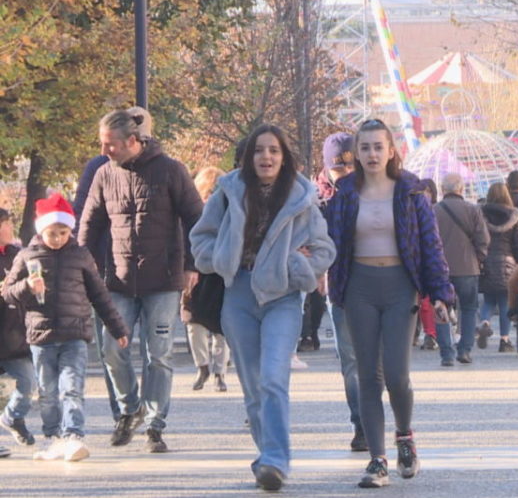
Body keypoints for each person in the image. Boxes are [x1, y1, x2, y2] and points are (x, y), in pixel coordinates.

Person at [191, 124, 336, 491]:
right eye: (259, 150)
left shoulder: (302, 196)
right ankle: (268, 456)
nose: (266, 157)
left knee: (273, 377)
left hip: (281, 297)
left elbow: (324, 249)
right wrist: (222, 258)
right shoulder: (227, 191)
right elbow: (200, 239)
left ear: (284, 157)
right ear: (248, 157)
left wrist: (296, 266)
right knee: (254, 386)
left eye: (273, 150)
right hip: (237, 295)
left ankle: (275, 459)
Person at [326, 118, 455, 488]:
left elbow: (430, 246)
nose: (371, 154)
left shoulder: (411, 192)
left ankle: (404, 436)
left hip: (400, 287)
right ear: (356, 152)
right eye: (364, 147)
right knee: (369, 376)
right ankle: (377, 460)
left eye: (378, 147)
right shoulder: (344, 192)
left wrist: (440, 294)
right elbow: (330, 239)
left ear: (391, 151)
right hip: (359, 288)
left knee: (397, 375)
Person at [78, 109, 204, 453]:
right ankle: (129, 408)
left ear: (132, 141)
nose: (104, 151)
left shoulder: (171, 170)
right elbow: (89, 224)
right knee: (110, 348)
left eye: (110, 144)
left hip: (163, 280)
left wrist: (192, 265)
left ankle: (154, 424)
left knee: (158, 354)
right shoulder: (104, 174)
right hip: (117, 280)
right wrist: (81, 268)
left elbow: (196, 219)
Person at [2, 194, 129, 462]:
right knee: (48, 392)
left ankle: (73, 435)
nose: (58, 238)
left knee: (72, 386)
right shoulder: (27, 256)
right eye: (52, 233)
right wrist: (27, 287)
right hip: (41, 337)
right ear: (41, 230)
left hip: (75, 335)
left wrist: (118, 329)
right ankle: (54, 438)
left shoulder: (81, 256)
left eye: (63, 232)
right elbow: (8, 294)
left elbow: (99, 295)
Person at [73, 105, 153, 423]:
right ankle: (122, 410)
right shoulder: (99, 167)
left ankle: (150, 412)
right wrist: (83, 262)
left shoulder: (161, 166)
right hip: (108, 270)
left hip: (153, 271)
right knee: (111, 344)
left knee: (154, 349)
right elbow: (83, 214)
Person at [316, 130, 367, 451]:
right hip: (341, 289)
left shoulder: (375, 192)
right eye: (339, 167)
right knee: (351, 360)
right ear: (327, 167)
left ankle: (377, 419)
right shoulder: (317, 200)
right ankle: (361, 424)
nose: (346, 172)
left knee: (376, 362)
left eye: (351, 165)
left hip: (376, 284)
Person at [182, 167, 230, 393]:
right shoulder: (191, 213)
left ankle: (220, 371)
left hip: (220, 275)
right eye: (207, 191)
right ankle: (202, 366)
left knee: (222, 328)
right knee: (193, 323)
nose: (210, 196)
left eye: (215, 191)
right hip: (195, 274)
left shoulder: (229, 212)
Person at [434, 172, 490, 365]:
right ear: (461, 189)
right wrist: (478, 258)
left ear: (442, 190)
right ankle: (465, 350)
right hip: (468, 267)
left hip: (439, 269)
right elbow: (484, 239)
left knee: (441, 309)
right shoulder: (473, 210)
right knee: (468, 308)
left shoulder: (434, 211)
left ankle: (446, 353)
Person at [0, 208, 35, 457]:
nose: (10, 227)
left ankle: (12, 417)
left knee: (28, 381)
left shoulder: (18, 255)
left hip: (13, 335)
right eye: (5, 223)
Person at [478, 182, 518, 353]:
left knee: (488, 300)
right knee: (505, 301)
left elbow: (477, 238)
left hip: (487, 262)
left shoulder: (481, 214)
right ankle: (504, 340)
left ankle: (484, 322)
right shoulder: (514, 216)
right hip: (508, 263)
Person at [417, 178, 440, 351]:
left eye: (428, 191)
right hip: (420, 260)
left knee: (432, 301)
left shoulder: (436, 211)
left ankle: (433, 334)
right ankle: (429, 333)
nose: (425, 195)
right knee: (423, 302)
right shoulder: (415, 209)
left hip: (433, 259)